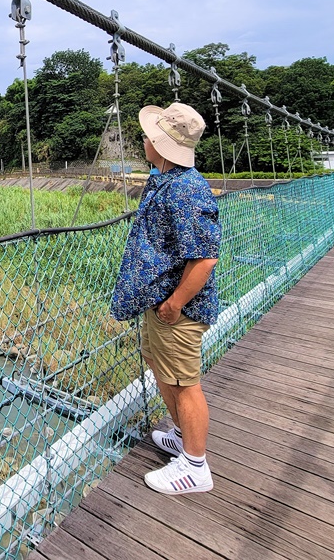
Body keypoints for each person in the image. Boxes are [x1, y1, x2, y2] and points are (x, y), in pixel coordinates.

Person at [120, 102, 221, 494]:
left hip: (178, 308)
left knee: (184, 382)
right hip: (161, 302)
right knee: (160, 365)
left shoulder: (185, 190)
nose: (144, 140)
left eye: (149, 135)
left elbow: (205, 257)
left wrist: (176, 302)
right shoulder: (163, 177)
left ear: (161, 145)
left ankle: (196, 467)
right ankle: (181, 436)